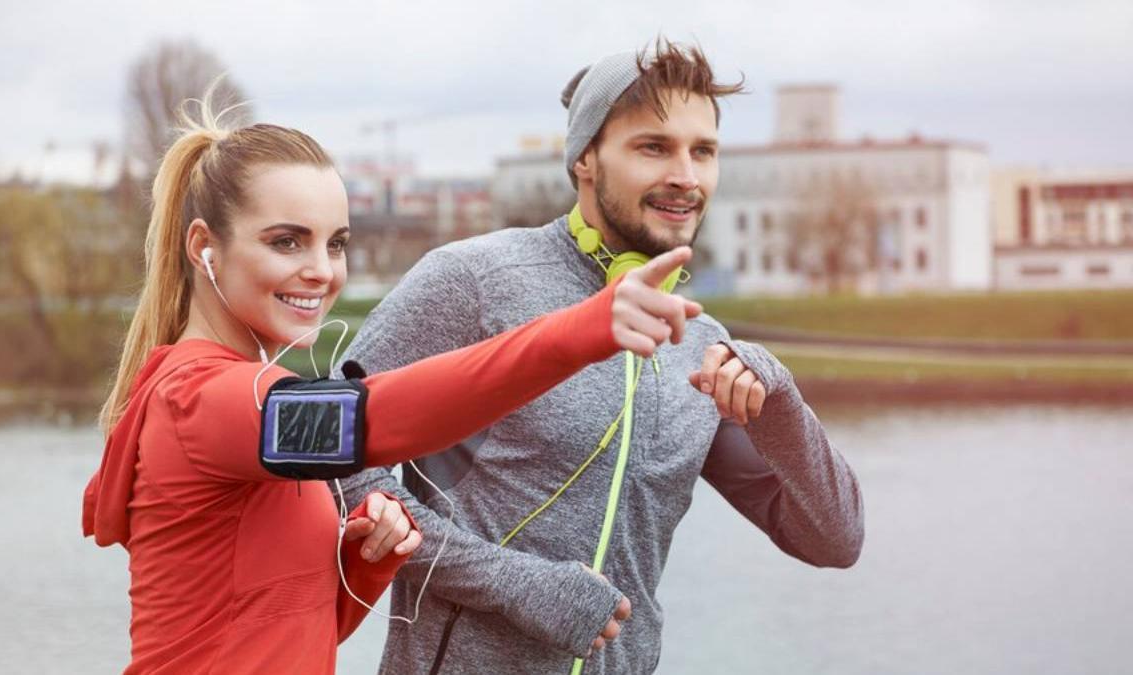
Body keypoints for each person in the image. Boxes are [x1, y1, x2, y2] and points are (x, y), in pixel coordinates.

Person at [81, 89, 704, 675]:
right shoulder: (200, 399)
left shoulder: (248, 400)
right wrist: (582, 331)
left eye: (336, 244)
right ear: (204, 247)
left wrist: (366, 558)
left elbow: (291, 631)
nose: (321, 271)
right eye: (287, 242)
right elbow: (374, 418)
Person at [335, 40, 865, 674]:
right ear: (584, 157)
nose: (687, 176)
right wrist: (512, 584)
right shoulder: (473, 280)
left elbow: (834, 539)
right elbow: (323, 459)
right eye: (653, 147)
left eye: (703, 151)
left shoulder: (701, 344)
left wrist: (780, 402)